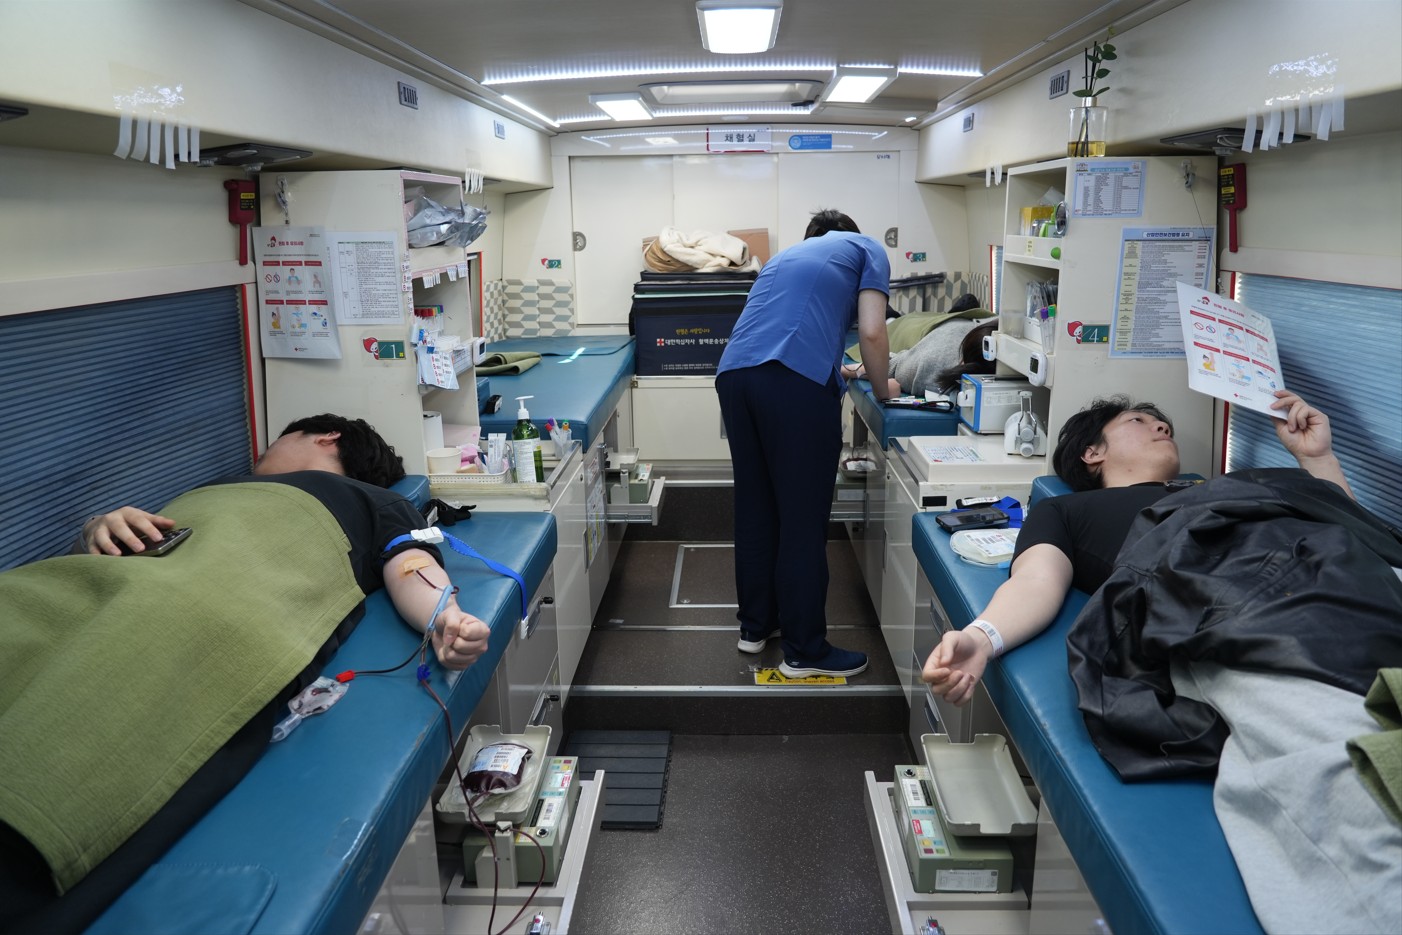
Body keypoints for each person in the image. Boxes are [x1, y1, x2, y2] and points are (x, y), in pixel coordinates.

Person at [922, 390, 1402, 935]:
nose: (1160, 426)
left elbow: (1345, 527)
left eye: (1162, 420)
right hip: (1238, 613)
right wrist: (983, 637)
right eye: (1139, 420)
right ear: (1092, 454)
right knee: (1353, 757)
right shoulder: (1067, 511)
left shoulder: (1221, 487)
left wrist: (1315, 459)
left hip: (1359, 580)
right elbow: (1036, 581)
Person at [0, 414, 491, 933]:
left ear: (327, 437)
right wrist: (99, 529)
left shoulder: (369, 499)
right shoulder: (204, 492)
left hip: (199, 606)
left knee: (63, 756)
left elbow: (409, 563)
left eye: (280, 436)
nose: (262, 448)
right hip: (76, 589)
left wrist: (446, 618)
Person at [715, 209, 899, 679]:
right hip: (790, 385)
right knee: (802, 518)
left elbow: (782, 334)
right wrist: (883, 389)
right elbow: (874, 331)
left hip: (735, 375)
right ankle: (805, 650)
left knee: (756, 508)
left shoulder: (786, 258)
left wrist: (836, 369)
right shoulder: (867, 248)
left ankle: (757, 627)